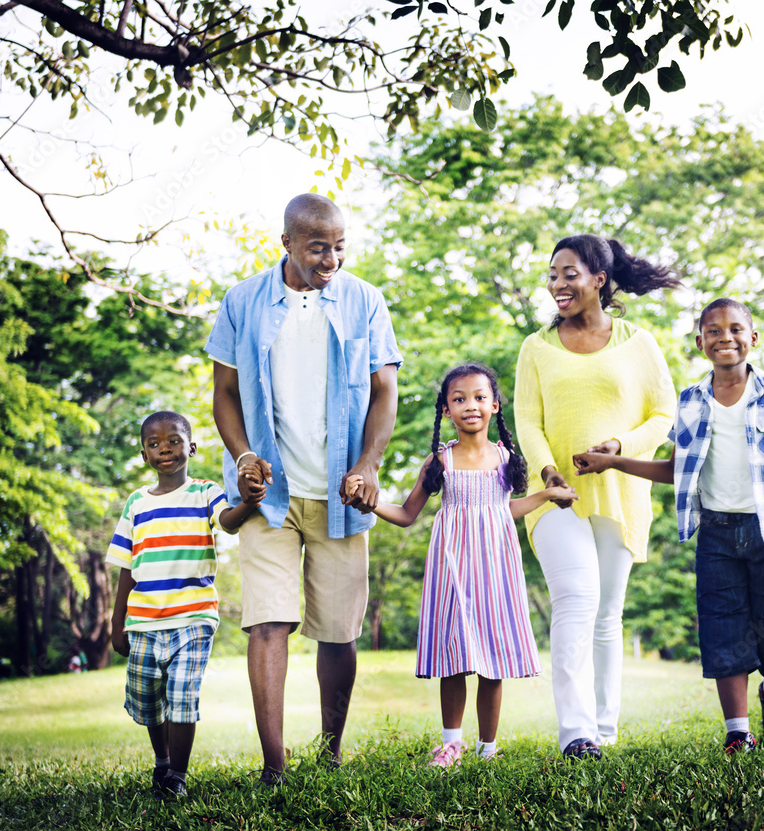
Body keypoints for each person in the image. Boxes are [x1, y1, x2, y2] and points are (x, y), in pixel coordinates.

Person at [204, 193, 402, 783]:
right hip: (268, 495)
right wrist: (242, 456)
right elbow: (225, 394)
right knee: (268, 622)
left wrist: (368, 464)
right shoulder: (243, 302)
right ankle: (274, 765)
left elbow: (385, 391)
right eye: (319, 247)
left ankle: (331, 750)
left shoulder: (365, 301)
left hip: (343, 493)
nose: (332, 258)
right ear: (286, 242)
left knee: (338, 632)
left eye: (340, 246)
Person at [573, 298, 764, 753]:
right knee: (722, 630)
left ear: (753, 338)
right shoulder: (689, 402)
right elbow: (677, 469)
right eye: (713, 330)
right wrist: (615, 463)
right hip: (717, 536)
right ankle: (737, 732)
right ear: (700, 342)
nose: (725, 337)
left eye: (734, 329)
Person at [349, 364, 577, 766]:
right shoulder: (440, 461)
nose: (469, 406)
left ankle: (489, 747)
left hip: (495, 566)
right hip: (451, 568)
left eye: (478, 397)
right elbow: (406, 514)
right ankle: (451, 743)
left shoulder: (506, 458)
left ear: (494, 405)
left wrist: (545, 496)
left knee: (492, 659)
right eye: (459, 399)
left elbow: (504, 509)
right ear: (446, 410)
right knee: (453, 656)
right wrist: (369, 503)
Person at [513, 234, 679, 759]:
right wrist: (547, 473)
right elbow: (526, 420)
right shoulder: (535, 347)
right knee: (575, 601)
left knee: (608, 615)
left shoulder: (639, 343)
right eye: (552, 275)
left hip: (619, 489)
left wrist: (620, 446)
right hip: (554, 495)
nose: (557, 285)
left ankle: (605, 729)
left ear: (599, 280)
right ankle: (577, 733)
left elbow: (664, 414)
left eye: (569, 274)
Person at [108, 411, 263, 798]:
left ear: (191, 447)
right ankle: (162, 762)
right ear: (144, 454)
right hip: (144, 620)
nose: (165, 449)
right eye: (155, 443)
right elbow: (127, 568)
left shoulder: (205, 491)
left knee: (182, 694)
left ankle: (177, 776)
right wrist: (116, 623)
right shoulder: (136, 504)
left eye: (174, 440)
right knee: (147, 698)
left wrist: (248, 502)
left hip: (193, 617)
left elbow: (227, 522)